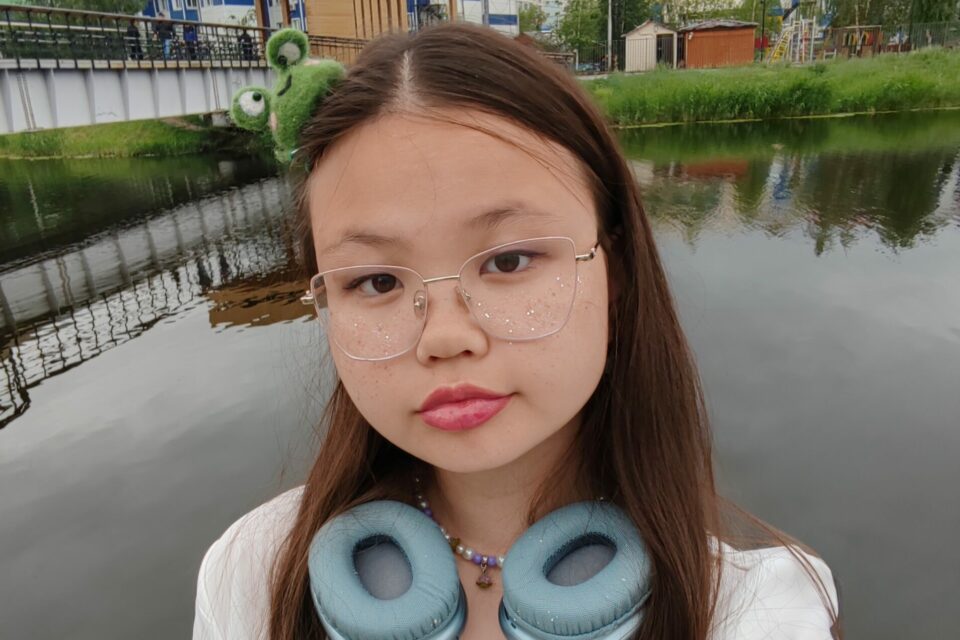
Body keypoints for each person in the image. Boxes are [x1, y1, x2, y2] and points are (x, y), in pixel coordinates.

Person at [193, 23, 841, 640]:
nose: (444, 338)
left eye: (508, 261)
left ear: (614, 267)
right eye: (376, 281)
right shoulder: (252, 573)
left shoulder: (757, 615)